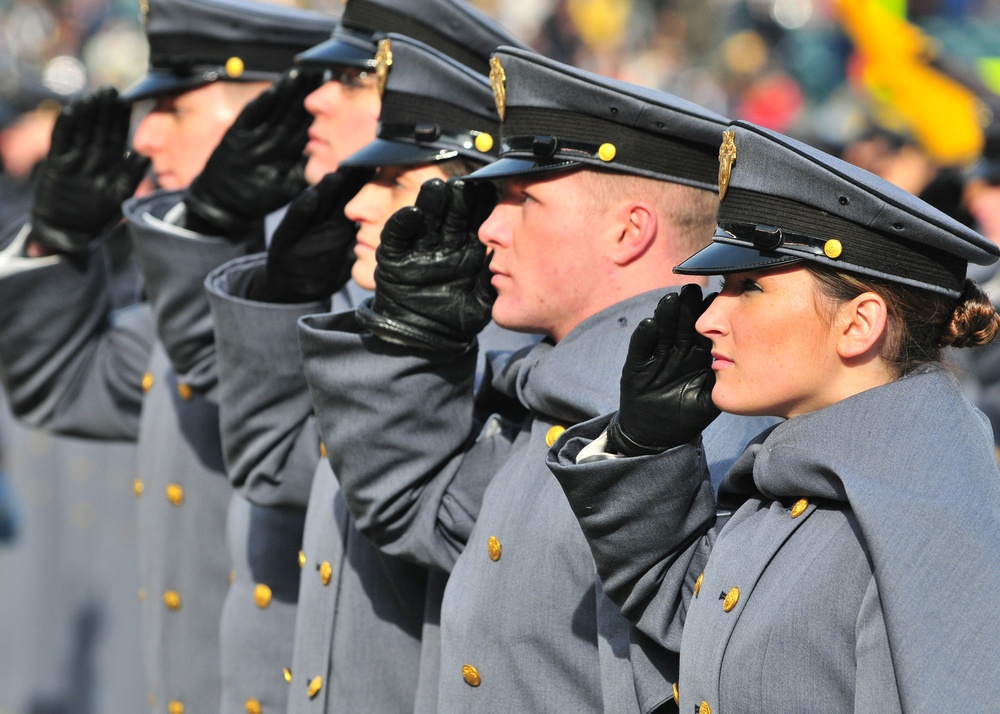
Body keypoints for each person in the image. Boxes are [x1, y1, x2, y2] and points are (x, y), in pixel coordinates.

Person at [298, 47, 770, 711]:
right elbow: (411, 510)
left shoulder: (715, 418)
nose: (489, 226)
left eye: (524, 200)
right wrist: (415, 343)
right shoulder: (548, 395)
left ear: (628, 232)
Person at [546, 119, 1000, 712]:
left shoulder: (924, 521)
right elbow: (693, 611)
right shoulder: (811, 483)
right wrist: (642, 448)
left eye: (749, 287)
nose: (709, 317)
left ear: (858, 324)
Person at [0, 1, 337, 712]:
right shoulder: (206, 275)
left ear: (273, 117)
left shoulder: (330, 288)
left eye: (177, 109)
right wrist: (56, 244)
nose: (145, 137)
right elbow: (58, 386)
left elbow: (231, 373)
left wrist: (205, 233)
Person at [203, 18, 531, 710]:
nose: (357, 202)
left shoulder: (513, 366)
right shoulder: (385, 302)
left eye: (391, 178)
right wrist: (280, 295)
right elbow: (273, 461)